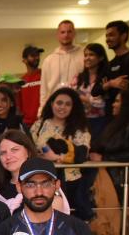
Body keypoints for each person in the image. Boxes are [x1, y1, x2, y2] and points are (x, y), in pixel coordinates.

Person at [30, 87, 92, 219]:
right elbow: (31, 148)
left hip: (72, 182)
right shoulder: (39, 125)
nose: (62, 107)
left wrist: (56, 157)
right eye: (59, 103)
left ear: (73, 107)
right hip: (43, 179)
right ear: (52, 103)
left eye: (67, 104)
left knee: (69, 218)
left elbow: (82, 153)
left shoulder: (79, 128)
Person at [0, 129, 71, 215]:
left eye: (14, 150)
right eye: (3, 153)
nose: (8, 156)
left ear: (28, 152)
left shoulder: (47, 183)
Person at [40, 20, 85, 109]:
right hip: (54, 107)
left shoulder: (83, 55)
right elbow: (44, 90)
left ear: (74, 34)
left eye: (69, 32)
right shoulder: (49, 60)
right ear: (58, 35)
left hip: (77, 106)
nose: (66, 35)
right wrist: (41, 110)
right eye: (63, 32)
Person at [74, 43, 110, 139]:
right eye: (85, 55)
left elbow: (101, 103)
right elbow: (71, 95)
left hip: (100, 122)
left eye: (91, 54)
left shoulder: (106, 77)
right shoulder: (79, 77)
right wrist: (89, 100)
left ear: (101, 58)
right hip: (80, 120)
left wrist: (82, 98)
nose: (87, 58)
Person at [102, 20, 129, 104]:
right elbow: (96, 90)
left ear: (123, 36)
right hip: (111, 108)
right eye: (106, 36)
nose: (107, 39)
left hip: (128, 107)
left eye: (111, 35)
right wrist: (110, 84)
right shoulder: (110, 63)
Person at [16, 45, 43, 127]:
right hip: (27, 124)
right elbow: (19, 105)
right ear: (24, 60)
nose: (36, 58)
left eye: (37, 55)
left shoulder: (45, 75)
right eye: (32, 56)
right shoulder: (21, 81)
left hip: (43, 121)